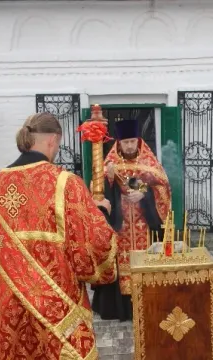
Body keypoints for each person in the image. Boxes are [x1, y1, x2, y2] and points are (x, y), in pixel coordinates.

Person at [0, 112, 118, 359]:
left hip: (4, 318)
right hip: (56, 319)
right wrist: (101, 213)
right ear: (53, 140)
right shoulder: (66, 185)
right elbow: (95, 248)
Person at [91, 118, 171, 321]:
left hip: (145, 226)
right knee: (120, 263)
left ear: (138, 141)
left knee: (145, 260)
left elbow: (162, 187)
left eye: (132, 141)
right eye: (124, 142)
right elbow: (99, 194)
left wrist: (144, 195)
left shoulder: (148, 163)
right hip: (122, 226)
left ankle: (146, 303)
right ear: (118, 143)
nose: (128, 146)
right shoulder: (109, 164)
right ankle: (121, 310)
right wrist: (108, 179)